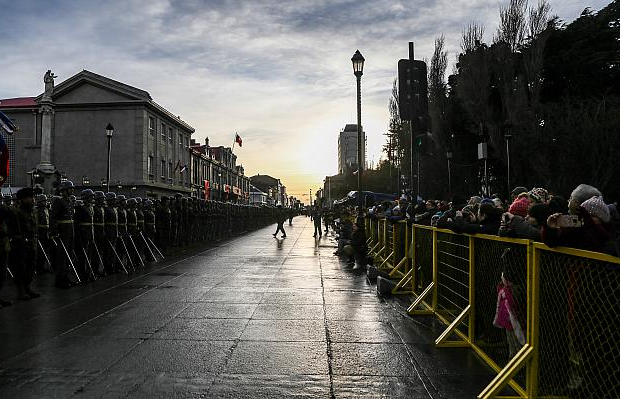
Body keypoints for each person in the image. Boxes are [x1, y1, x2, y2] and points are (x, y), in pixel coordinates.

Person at [7, 187, 40, 300]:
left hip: (32, 243)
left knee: (31, 268)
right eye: (29, 198)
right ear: (21, 200)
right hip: (20, 245)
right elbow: (10, 230)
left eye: (32, 197)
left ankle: (27, 287)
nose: (32, 200)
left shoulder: (34, 211)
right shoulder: (16, 212)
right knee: (20, 268)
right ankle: (20, 291)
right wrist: (18, 238)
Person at [50, 180, 76, 288]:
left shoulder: (69, 201)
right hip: (62, 233)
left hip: (69, 232)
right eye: (70, 188)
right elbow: (52, 217)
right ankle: (60, 280)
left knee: (68, 257)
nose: (72, 190)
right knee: (61, 258)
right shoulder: (59, 202)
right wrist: (54, 231)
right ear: (64, 191)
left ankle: (66, 278)